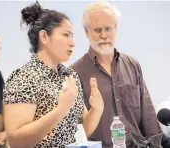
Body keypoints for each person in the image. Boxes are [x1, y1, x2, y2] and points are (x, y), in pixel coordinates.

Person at [2, 2, 104, 148]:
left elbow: (81, 130)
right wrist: (60, 110)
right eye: (65, 35)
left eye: (72, 36)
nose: (72, 43)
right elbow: (15, 141)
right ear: (44, 36)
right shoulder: (23, 78)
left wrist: (97, 109)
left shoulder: (70, 76)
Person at [70, 1, 163, 148]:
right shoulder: (74, 73)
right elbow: (75, 130)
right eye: (97, 30)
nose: (104, 35)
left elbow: (148, 116)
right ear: (87, 32)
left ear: (116, 29)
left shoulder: (132, 65)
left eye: (108, 28)